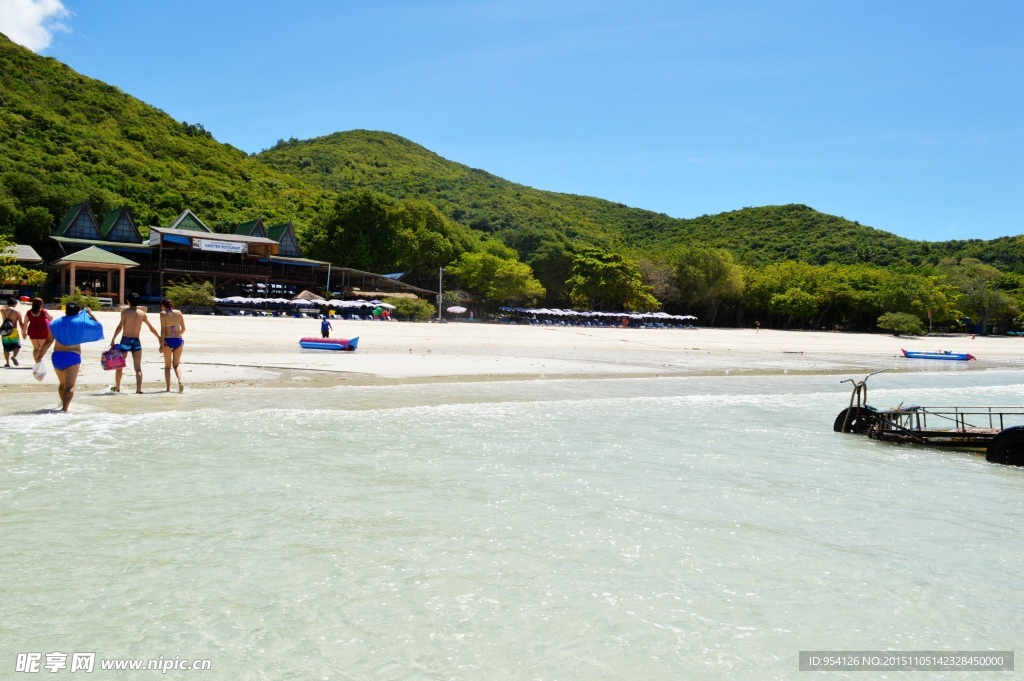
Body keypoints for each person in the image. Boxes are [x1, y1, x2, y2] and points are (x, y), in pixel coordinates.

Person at [37, 303, 103, 412]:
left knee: (62, 384)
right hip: (72, 356)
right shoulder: (80, 323)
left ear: (65, 310)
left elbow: (49, 341)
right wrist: (90, 313)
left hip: (57, 356)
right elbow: (98, 326)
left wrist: (40, 355)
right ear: (77, 313)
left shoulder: (55, 323)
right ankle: (65, 409)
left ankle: (63, 403)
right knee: (70, 386)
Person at [109, 293, 160, 393]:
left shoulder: (125, 312)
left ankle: (118, 388)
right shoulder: (142, 314)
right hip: (136, 341)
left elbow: (120, 326)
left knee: (120, 366)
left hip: (125, 340)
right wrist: (159, 338)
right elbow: (151, 328)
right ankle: (139, 389)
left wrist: (113, 339)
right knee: (138, 368)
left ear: (128, 302)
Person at [159, 297, 186, 393]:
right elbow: (183, 328)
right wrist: (179, 335)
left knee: (167, 367)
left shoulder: (163, 314)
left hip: (167, 341)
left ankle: (168, 388)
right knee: (176, 365)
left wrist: (161, 343)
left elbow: (162, 330)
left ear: (163, 306)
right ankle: (180, 380)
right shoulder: (179, 313)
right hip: (178, 340)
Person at [25, 297, 53, 363]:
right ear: (41, 304)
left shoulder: (29, 312)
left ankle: (36, 362)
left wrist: (24, 332)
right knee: (42, 348)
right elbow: (51, 318)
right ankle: (39, 361)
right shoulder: (43, 311)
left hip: (32, 331)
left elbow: (25, 322)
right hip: (42, 331)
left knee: (36, 348)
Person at [2, 297, 25, 367]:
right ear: (15, 304)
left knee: (6, 347)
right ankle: (14, 356)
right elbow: (21, 323)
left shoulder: (2, 310)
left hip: (4, 330)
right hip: (13, 330)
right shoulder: (17, 312)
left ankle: (7, 362)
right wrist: (23, 331)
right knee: (17, 345)